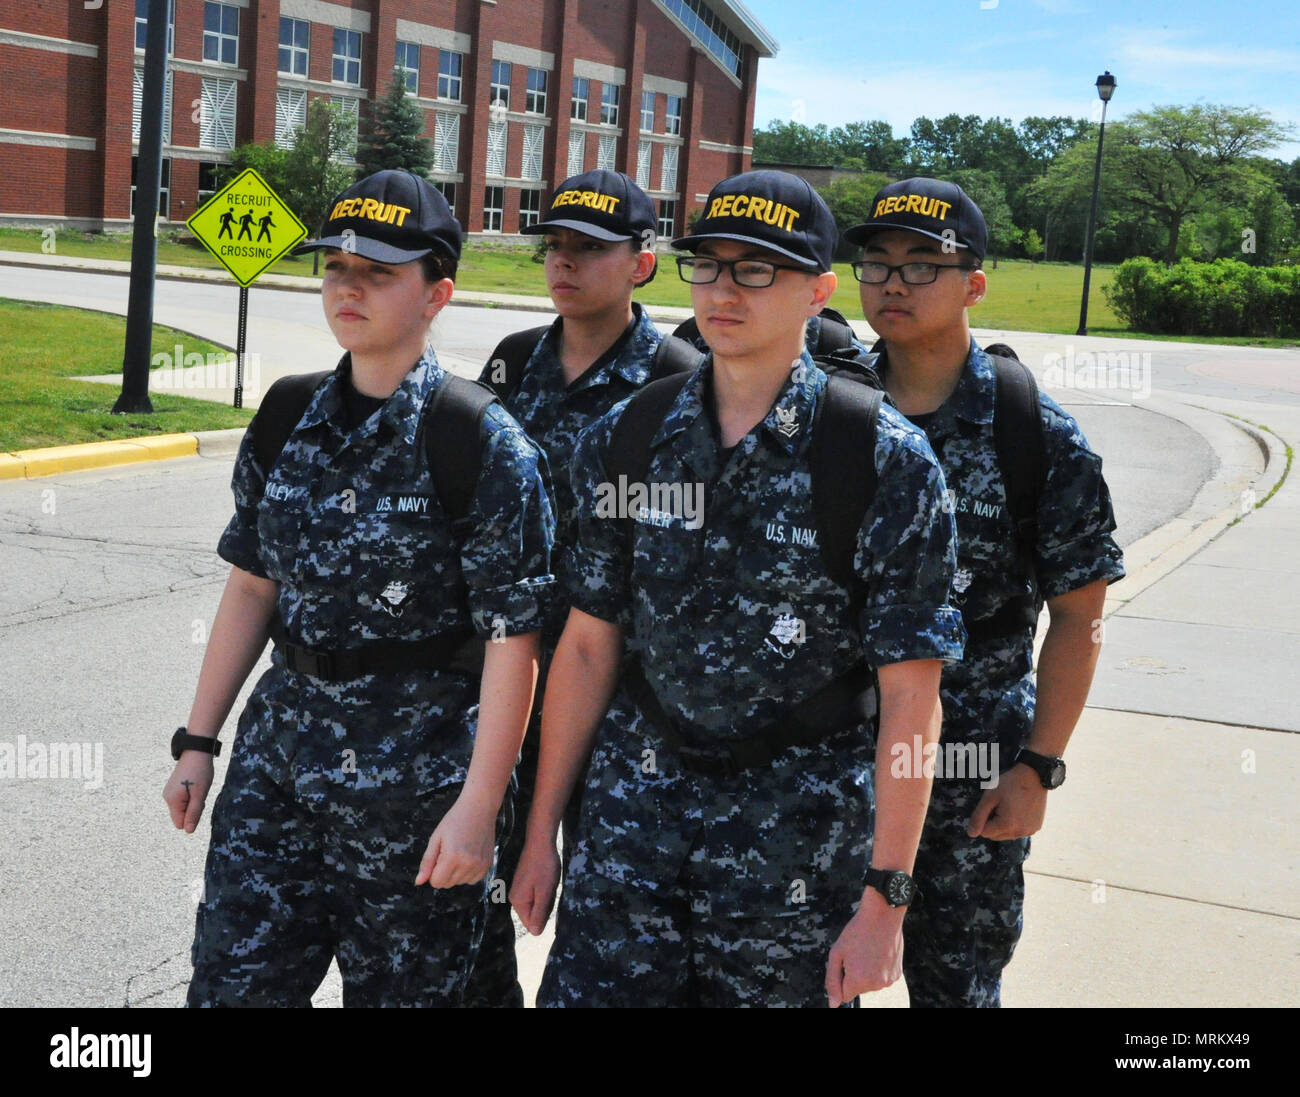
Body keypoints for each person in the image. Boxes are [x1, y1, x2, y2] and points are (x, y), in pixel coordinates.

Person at [511, 169, 965, 1007]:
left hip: (793, 854)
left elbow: (912, 699)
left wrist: (886, 899)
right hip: (629, 837)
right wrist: (542, 833)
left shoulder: (879, 458)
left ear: (819, 291)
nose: (725, 289)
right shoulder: (630, 436)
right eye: (709, 264)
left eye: (756, 268)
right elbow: (585, 645)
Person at [162, 169, 555, 1007]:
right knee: (232, 988)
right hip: (280, 773)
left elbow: (513, 640)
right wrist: (198, 739)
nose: (350, 286)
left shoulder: (478, 441)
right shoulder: (285, 413)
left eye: (379, 272)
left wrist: (482, 806)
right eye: (337, 266)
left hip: (419, 794)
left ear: (436, 293)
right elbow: (250, 587)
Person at [844, 177, 1126, 1007]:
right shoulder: (831, 408)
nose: (893, 282)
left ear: (975, 283)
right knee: (813, 978)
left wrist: (1039, 765)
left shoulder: (1031, 430)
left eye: (923, 264)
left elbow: (1081, 615)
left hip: (973, 767)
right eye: (877, 261)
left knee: (958, 988)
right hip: (834, 759)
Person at [465, 170, 663, 1008]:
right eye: (556, 245)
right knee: (467, 899)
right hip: (505, 678)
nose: (565, 262)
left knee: (601, 914)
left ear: (642, 264)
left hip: (621, 696)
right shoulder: (512, 365)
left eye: (590, 247)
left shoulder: (679, 379)